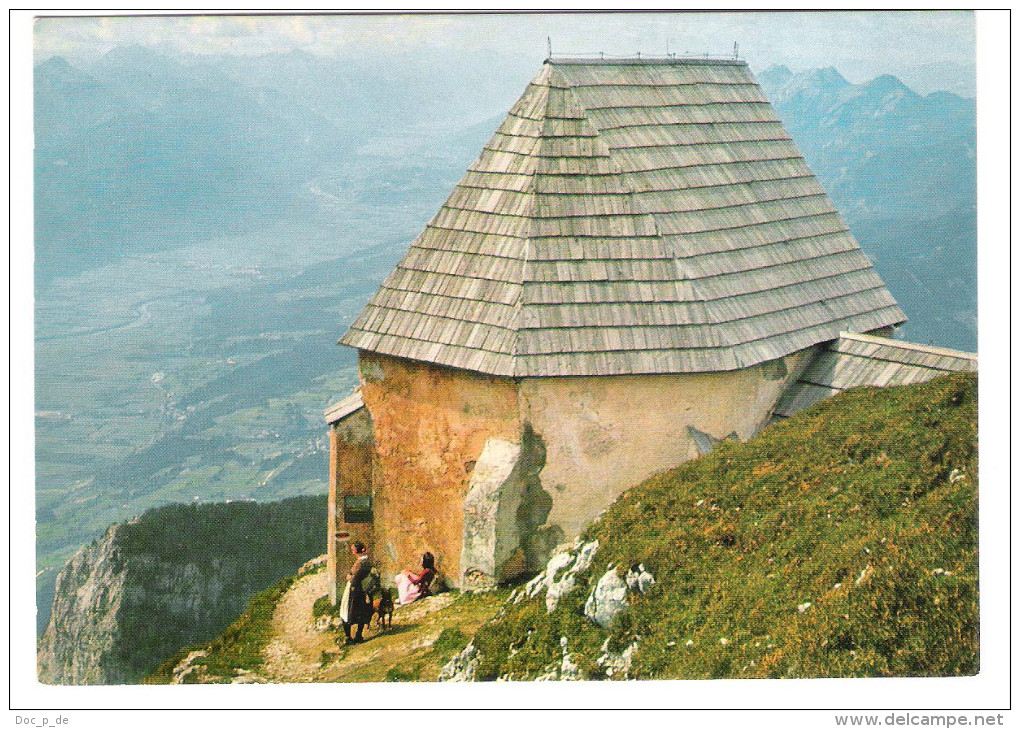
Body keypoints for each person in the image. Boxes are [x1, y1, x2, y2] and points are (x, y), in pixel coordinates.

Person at [339, 541, 373, 644]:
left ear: (358, 551)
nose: (352, 552)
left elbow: (355, 578)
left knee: (348, 612)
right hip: (359, 589)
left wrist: (349, 577)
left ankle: (350, 637)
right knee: (359, 612)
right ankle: (358, 635)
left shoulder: (362, 562)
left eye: (353, 550)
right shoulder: (364, 561)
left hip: (355, 590)